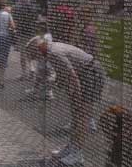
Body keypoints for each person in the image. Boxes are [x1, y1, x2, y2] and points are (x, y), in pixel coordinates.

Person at [26, 36, 105, 166]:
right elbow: (65, 74)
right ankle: (72, 147)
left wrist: (77, 96)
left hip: (91, 74)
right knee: (76, 115)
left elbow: (73, 75)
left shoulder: (53, 52)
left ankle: (77, 154)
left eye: (33, 54)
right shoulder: (50, 50)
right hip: (84, 74)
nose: (34, 57)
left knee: (81, 116)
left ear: (38, 48)